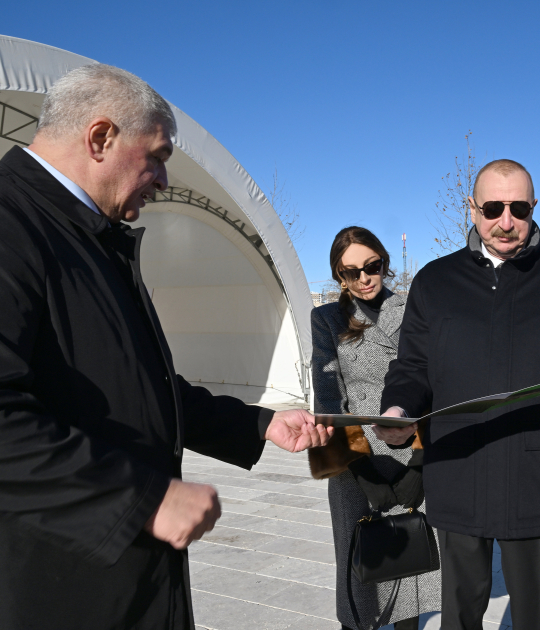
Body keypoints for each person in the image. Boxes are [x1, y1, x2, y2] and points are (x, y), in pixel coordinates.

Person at [0, 64, 333, 630]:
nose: (162, 179)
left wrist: (258, 424)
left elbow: (138, 385)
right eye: (156, 156)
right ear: (101, 138)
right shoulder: (12, 226)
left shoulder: (91, 239)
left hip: (131, 579)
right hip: (59, 588)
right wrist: (138, 499)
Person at [374, 159, 540, 629]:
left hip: (538, 477)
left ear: (534, 207)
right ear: (471, 208)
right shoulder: (434, 281)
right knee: (459, 615)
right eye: (493, 208)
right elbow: (413, 366)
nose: (506, 221)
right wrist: (398, 407)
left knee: (533, 617)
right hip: (458, 469)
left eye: (518, 209)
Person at [308, 226, 440, 630]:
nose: (364, 278)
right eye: (351, 272)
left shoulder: (415, 309)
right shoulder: (327, 318)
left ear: (385, 262)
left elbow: (433, 387)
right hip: (355, 462)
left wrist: (419, 465)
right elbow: (329, 401)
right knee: (360, 575)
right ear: (339, 276)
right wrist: (363, 472)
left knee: (410, 570)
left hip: (411, 454)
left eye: (372, 266)